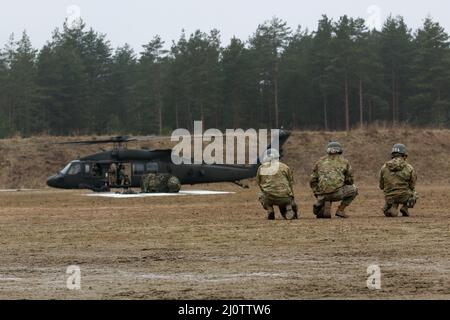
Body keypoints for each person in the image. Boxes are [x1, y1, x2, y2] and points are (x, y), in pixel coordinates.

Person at [310, 142, 358, 219]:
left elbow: (312, 180)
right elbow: (350, 180)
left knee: (325, 189)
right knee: (354, 189)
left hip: (322, 193)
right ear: (340, 150)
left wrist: (317, 193)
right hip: (337, 193)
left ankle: (321, 202)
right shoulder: (345, 162)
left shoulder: (319, 162)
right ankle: (340, 210)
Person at [256, 149, 298, 220]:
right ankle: (288, 206)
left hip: (269, 197)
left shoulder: (261, 168)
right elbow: (290, 182)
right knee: (284, 202)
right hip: (285, 197)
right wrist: (291, 197)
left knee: (260, 194)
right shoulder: (285, 166)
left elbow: (259, 183)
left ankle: (270, 209)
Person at [379, 143, 418, 217]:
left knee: (392, 196)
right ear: (404, 155)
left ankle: (392, 206)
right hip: (404, 196)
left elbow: (381, 186)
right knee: (415, 194)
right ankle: (405, 207)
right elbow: (412, 186)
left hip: (389, 197)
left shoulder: (384, 167)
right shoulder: (409, 168)